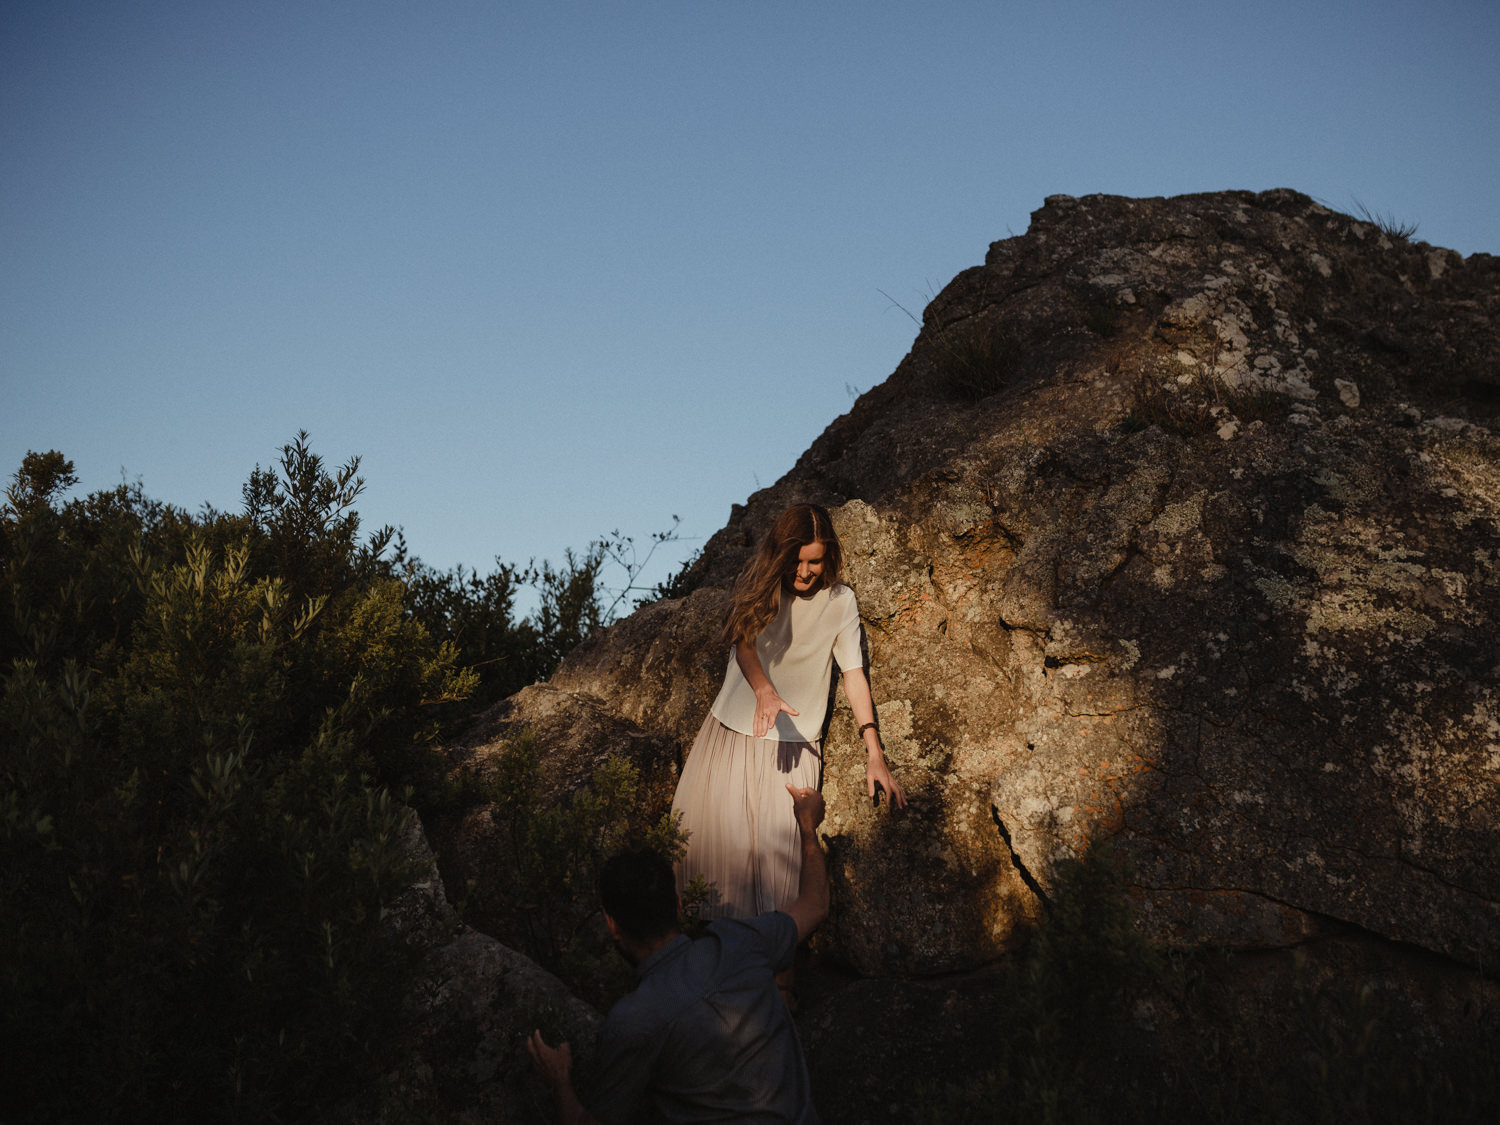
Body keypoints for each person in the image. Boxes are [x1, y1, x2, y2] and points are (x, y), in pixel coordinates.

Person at [671, 504, 904, 1001]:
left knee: (780, 888)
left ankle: (779, 1009)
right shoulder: (763, 584)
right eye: (797, 560)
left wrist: (874, 750)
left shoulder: (841, 602)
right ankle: (712, 1003)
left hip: (794, 747)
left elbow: (853, 674)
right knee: (717, 877)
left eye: (815, 562)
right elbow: (745, 645)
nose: (804, 572)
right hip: (733, 734)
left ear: (830, 557)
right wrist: (763, 691)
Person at [528, 785, 830, 1125]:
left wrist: (559, 1082)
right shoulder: (745, 941)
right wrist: (807, 826)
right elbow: (815, 903)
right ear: (678, 905)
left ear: (612, 925)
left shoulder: (633, 1022)